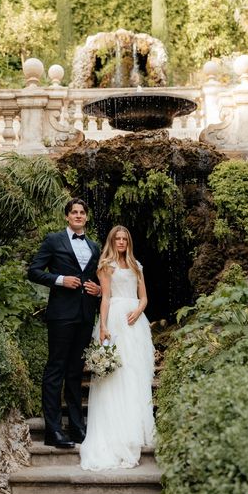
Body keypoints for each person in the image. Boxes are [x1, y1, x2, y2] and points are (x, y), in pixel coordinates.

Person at [80, 225, 155, 470]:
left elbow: (144, 296)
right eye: (117, 238)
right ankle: (117, 430)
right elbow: (106, 298)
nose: (121, 242)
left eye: (124, 239)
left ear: (128, 242)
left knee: (136, 374)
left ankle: (137, 427)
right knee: (117, 376)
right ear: (112, 241)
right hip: (115, 318)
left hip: (135, 321)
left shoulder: (136, 265)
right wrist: (102, 326)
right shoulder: (106, 266)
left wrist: (139, 309)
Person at [27, 198, 101, 449]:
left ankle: (78, 428)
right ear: (67, 217)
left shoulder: (94, 246)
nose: (78, 216)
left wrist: (99, 289)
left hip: (84, 315)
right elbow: (34, 271)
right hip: (61, 314)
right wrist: (60, 279)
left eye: (82, 212)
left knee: (75, 371)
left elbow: (100, 278)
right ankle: (53, 430)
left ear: (86, 218)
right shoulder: (53, 241)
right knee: (56, 369)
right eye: (74, 212)